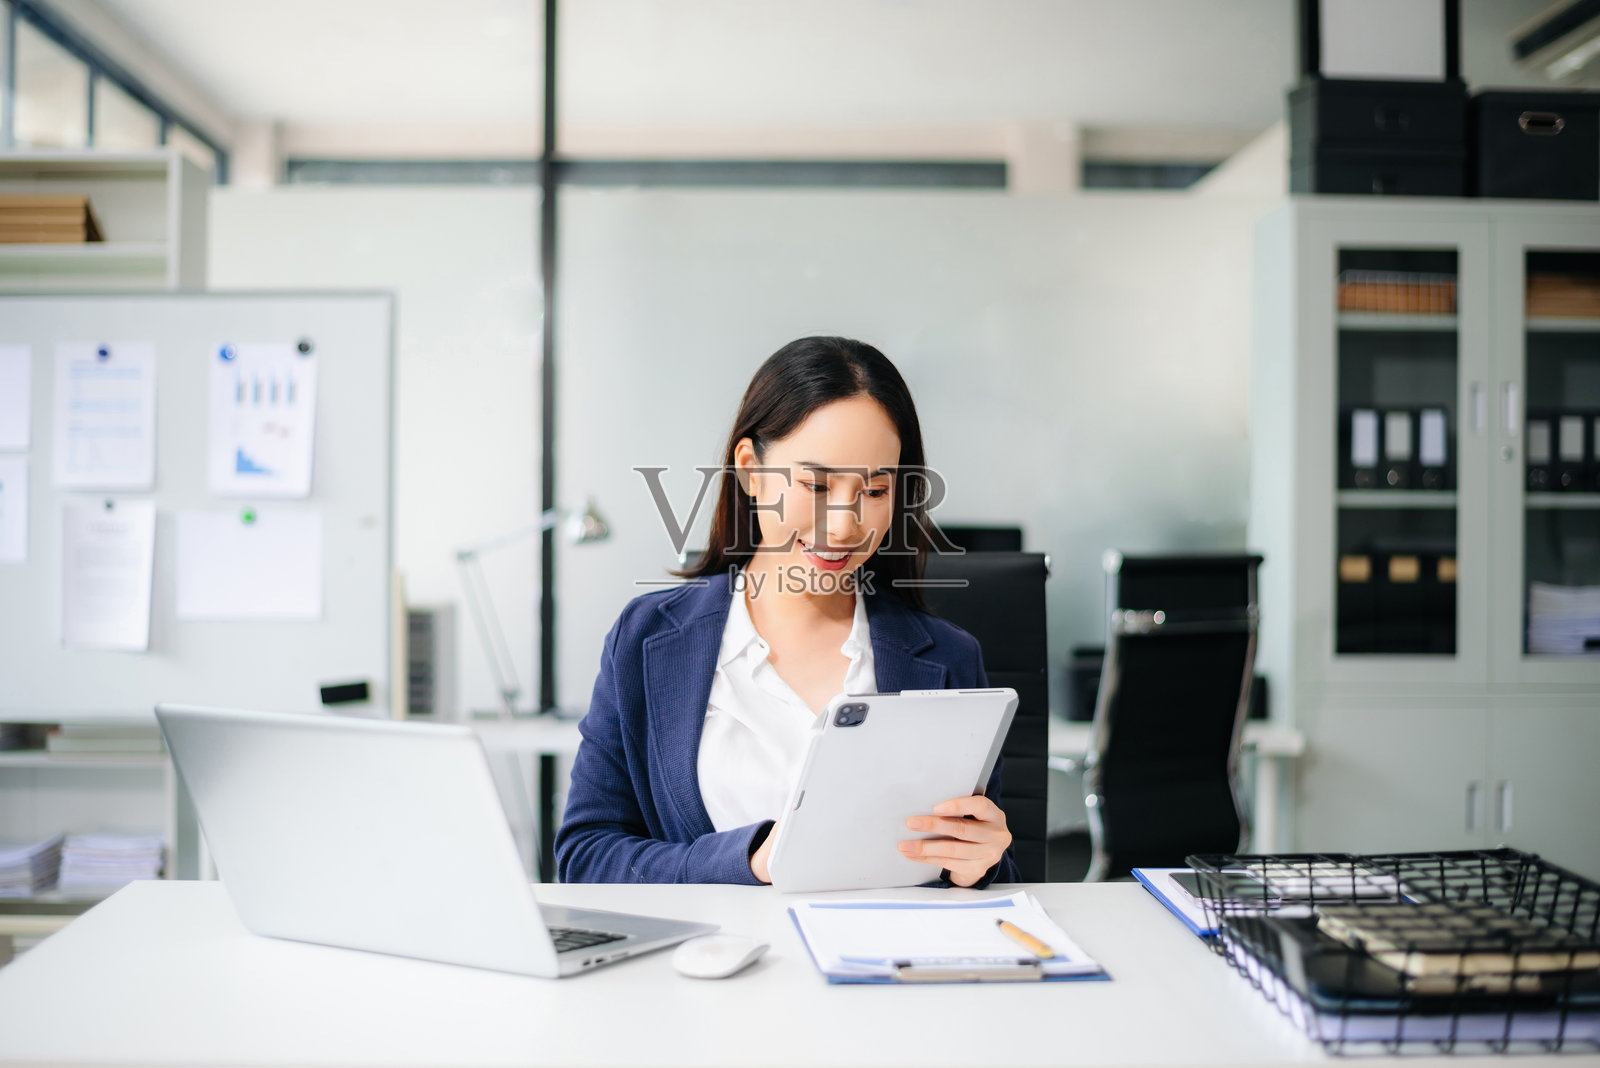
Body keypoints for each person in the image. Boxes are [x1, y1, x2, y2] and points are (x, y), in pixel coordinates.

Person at [555, 336, 1018, 887]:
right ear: (751, 469)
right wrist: (750, 860)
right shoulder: (648, 638)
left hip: (879, 961)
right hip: (715, 966)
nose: (846, 525)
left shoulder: (947, 658)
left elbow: (989, 872)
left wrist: (980, 864)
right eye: (817, 484)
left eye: (875, 489)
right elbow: (586, 857)